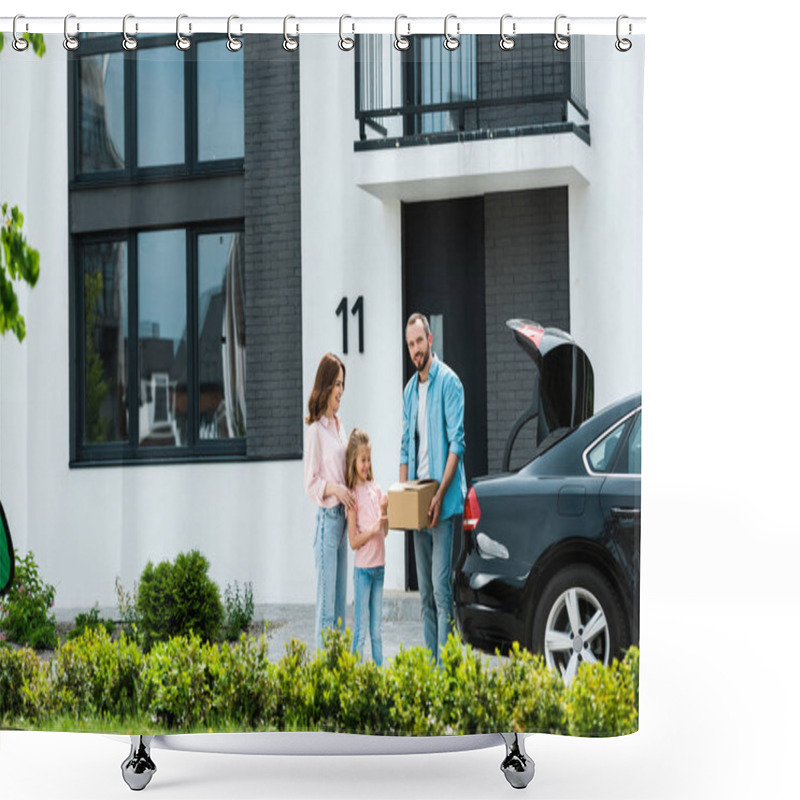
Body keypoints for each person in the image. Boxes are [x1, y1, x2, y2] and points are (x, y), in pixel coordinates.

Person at [399, 313, 466, 663]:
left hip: (443, 501)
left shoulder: (450, 383)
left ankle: (446, 672)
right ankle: (430, 669)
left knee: (441, 590)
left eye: (419, 342)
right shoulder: (410, 391)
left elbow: (457, 444)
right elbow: (405, 447)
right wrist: (404, 495)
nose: (415, 350)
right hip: (418, 500)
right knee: (425, 594)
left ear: (430, 339)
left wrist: (439, 495)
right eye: (410, 345)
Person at [304, 353, 355, 650]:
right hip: (327, 524)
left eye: (343, 384)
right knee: (325, 611)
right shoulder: (316, 431)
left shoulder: (338, 425)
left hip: (343, 524)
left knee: (338, 612)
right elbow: (310, 484)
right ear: (325, 385)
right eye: (337, 383)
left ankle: (338, 675)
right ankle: (322, 680)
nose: (341, 390)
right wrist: (335, 489)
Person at [345, 428, 389, 666]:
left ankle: (379, 680)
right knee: (361, 630)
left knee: (377, 631)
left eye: (368, 459)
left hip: (379, 568)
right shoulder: (352, 496)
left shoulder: (376, 488)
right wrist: (372, 529)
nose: (366, 464)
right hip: (363, 571)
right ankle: (355, 679)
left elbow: (386, 531)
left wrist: (384, 512)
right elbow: (353, 541)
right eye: (362, 460)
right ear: (354, 461)